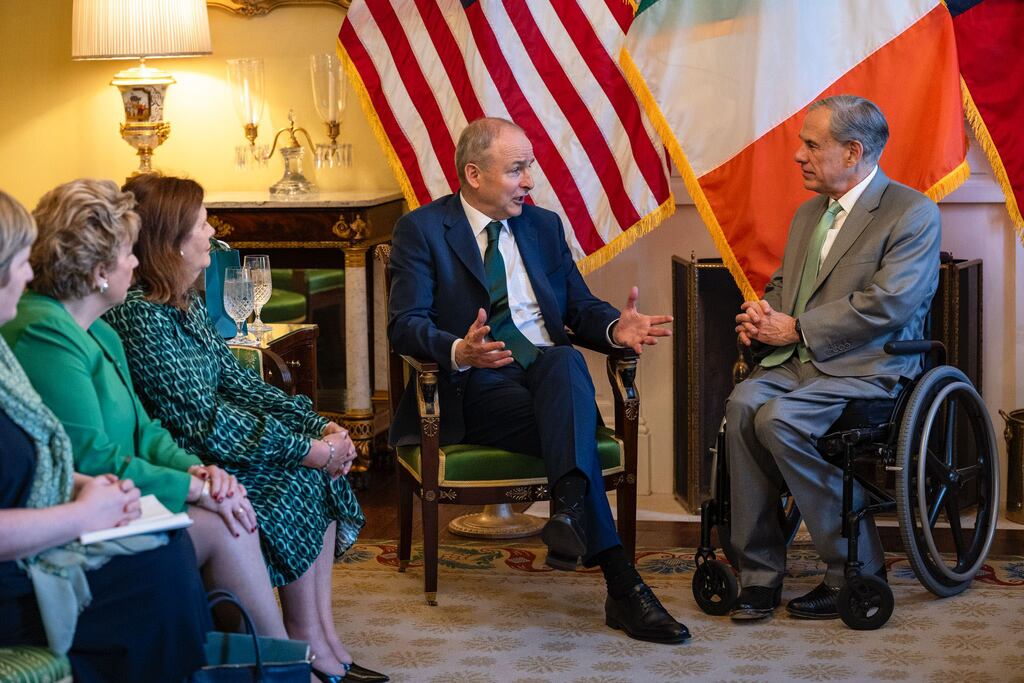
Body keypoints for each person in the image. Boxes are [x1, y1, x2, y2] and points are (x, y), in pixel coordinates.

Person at [387, 116, 689, 644]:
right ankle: (620, 580)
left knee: (565, 360)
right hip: (477, 385)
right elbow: (404, 324)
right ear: (474, 174)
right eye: (517, 170)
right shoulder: (423, 230)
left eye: (529, 168)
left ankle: (572, 517)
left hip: (548, 380)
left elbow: (579, 307)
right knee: (573, 422)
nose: (529, 181)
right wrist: (459, 350)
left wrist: (615, 328)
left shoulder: (543, 226)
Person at [104, 173, 386, 683]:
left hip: (225, 443)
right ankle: (302, 643)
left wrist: (319, 424)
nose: (212, 233)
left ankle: (322, 638)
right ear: (171, 241)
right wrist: (305, 449)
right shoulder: (140, 316)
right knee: (299, 478)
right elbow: (205, 421)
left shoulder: (181, 303)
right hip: (196, 453)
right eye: (202, 223)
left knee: (315, 476)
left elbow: (238, 382)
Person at [0, 179, 289, 641]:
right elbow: (92, 457)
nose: (137, 261)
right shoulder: (44, 331)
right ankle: (278, 660)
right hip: (84, 508)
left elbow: (145, 429)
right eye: (128, 253)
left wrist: (197, 471)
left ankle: (281, 658)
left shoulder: (100, 330)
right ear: (99, 271)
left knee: (228, 510)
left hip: (123, 493)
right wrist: (193, 490)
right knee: (224, 523)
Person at [726, 95, 941, 621]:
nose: (798, 155)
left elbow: (889, 303)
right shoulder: (809, 214)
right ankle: (758, 575)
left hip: (870, 368)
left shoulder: (911, 212)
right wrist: (762, 314)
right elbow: (786, 286)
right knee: (742, 406)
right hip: (796, 363)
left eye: (810, 144)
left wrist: (797, 328)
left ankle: (854, 566)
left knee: (778, 419)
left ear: (852, 152)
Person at [0, 188, 210, 682]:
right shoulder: (40, 331)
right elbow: (81, 452)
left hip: (39, 546)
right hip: (18, 575)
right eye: (19, 262)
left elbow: (51, 456)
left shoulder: (14, 349)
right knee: (161, 569)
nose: (29, 276)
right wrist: (82, 510)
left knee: (169, 555)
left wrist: (89, 489)